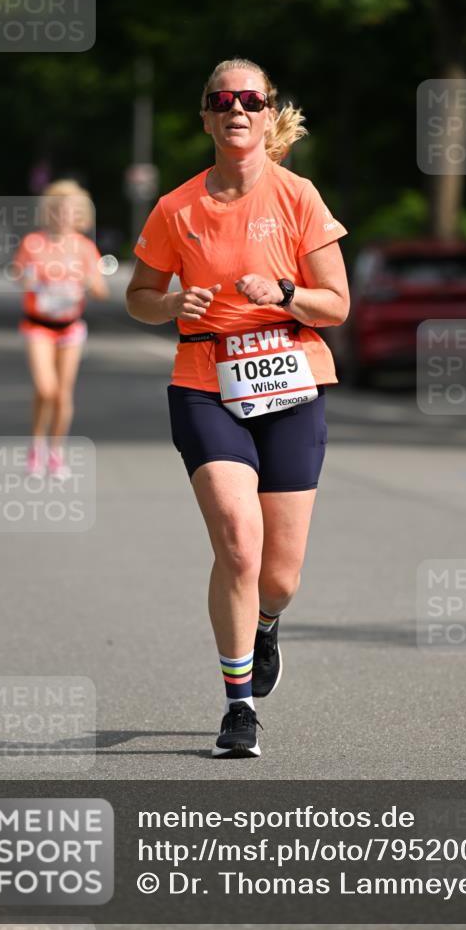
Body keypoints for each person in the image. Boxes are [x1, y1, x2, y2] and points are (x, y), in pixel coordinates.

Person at [127, 57, 349, 759]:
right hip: (205, 378)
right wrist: (168, 303)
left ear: (266, 111)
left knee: (278, 575)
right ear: (205, 116)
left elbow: (337, 305)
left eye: (249, 99)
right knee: (235, 539)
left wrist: (283, 291)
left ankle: (266, 624)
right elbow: (137, 295)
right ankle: (238, 706)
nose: (236, 109)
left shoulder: (297, 196)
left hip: (289, 375)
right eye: (221, 99)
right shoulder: (175, 208)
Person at [13, 180, 109, 477]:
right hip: (38, 325)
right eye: (57, 211)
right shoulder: (33, 243)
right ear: (49, 212)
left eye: (70, 211)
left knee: (62, 394)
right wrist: (27, 277)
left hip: (70, 328)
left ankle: (55, 453)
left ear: (79, 215)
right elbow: (18, 274)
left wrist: (86, 282)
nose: (63, 217)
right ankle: (36, 445)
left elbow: (101, 291)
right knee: (46, 387)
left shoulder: (84, 247)